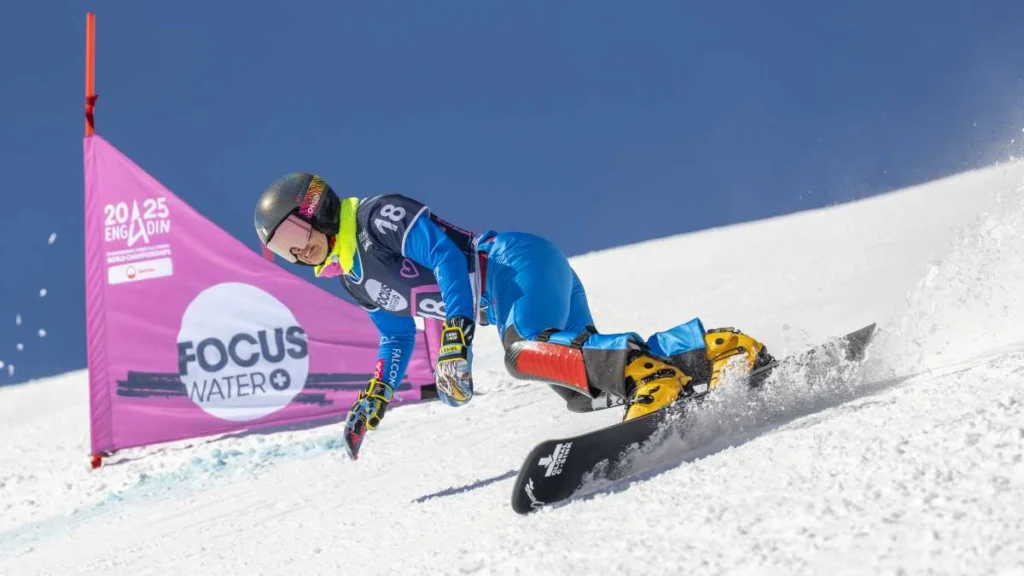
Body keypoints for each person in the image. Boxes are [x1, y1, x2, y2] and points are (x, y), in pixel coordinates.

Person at [253, 172, 774, 455]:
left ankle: (653, 379)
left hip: (513, 265)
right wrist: (375, 397)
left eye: (295, 237)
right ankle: (712, 349)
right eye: (283, 250)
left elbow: (444, 256)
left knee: (524, 352)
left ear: (315, 209)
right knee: (579, 386)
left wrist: (456, 340)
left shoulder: (374, 216)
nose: (297, 254)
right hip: (509, 295)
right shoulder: (351, 275)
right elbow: (395, 337)